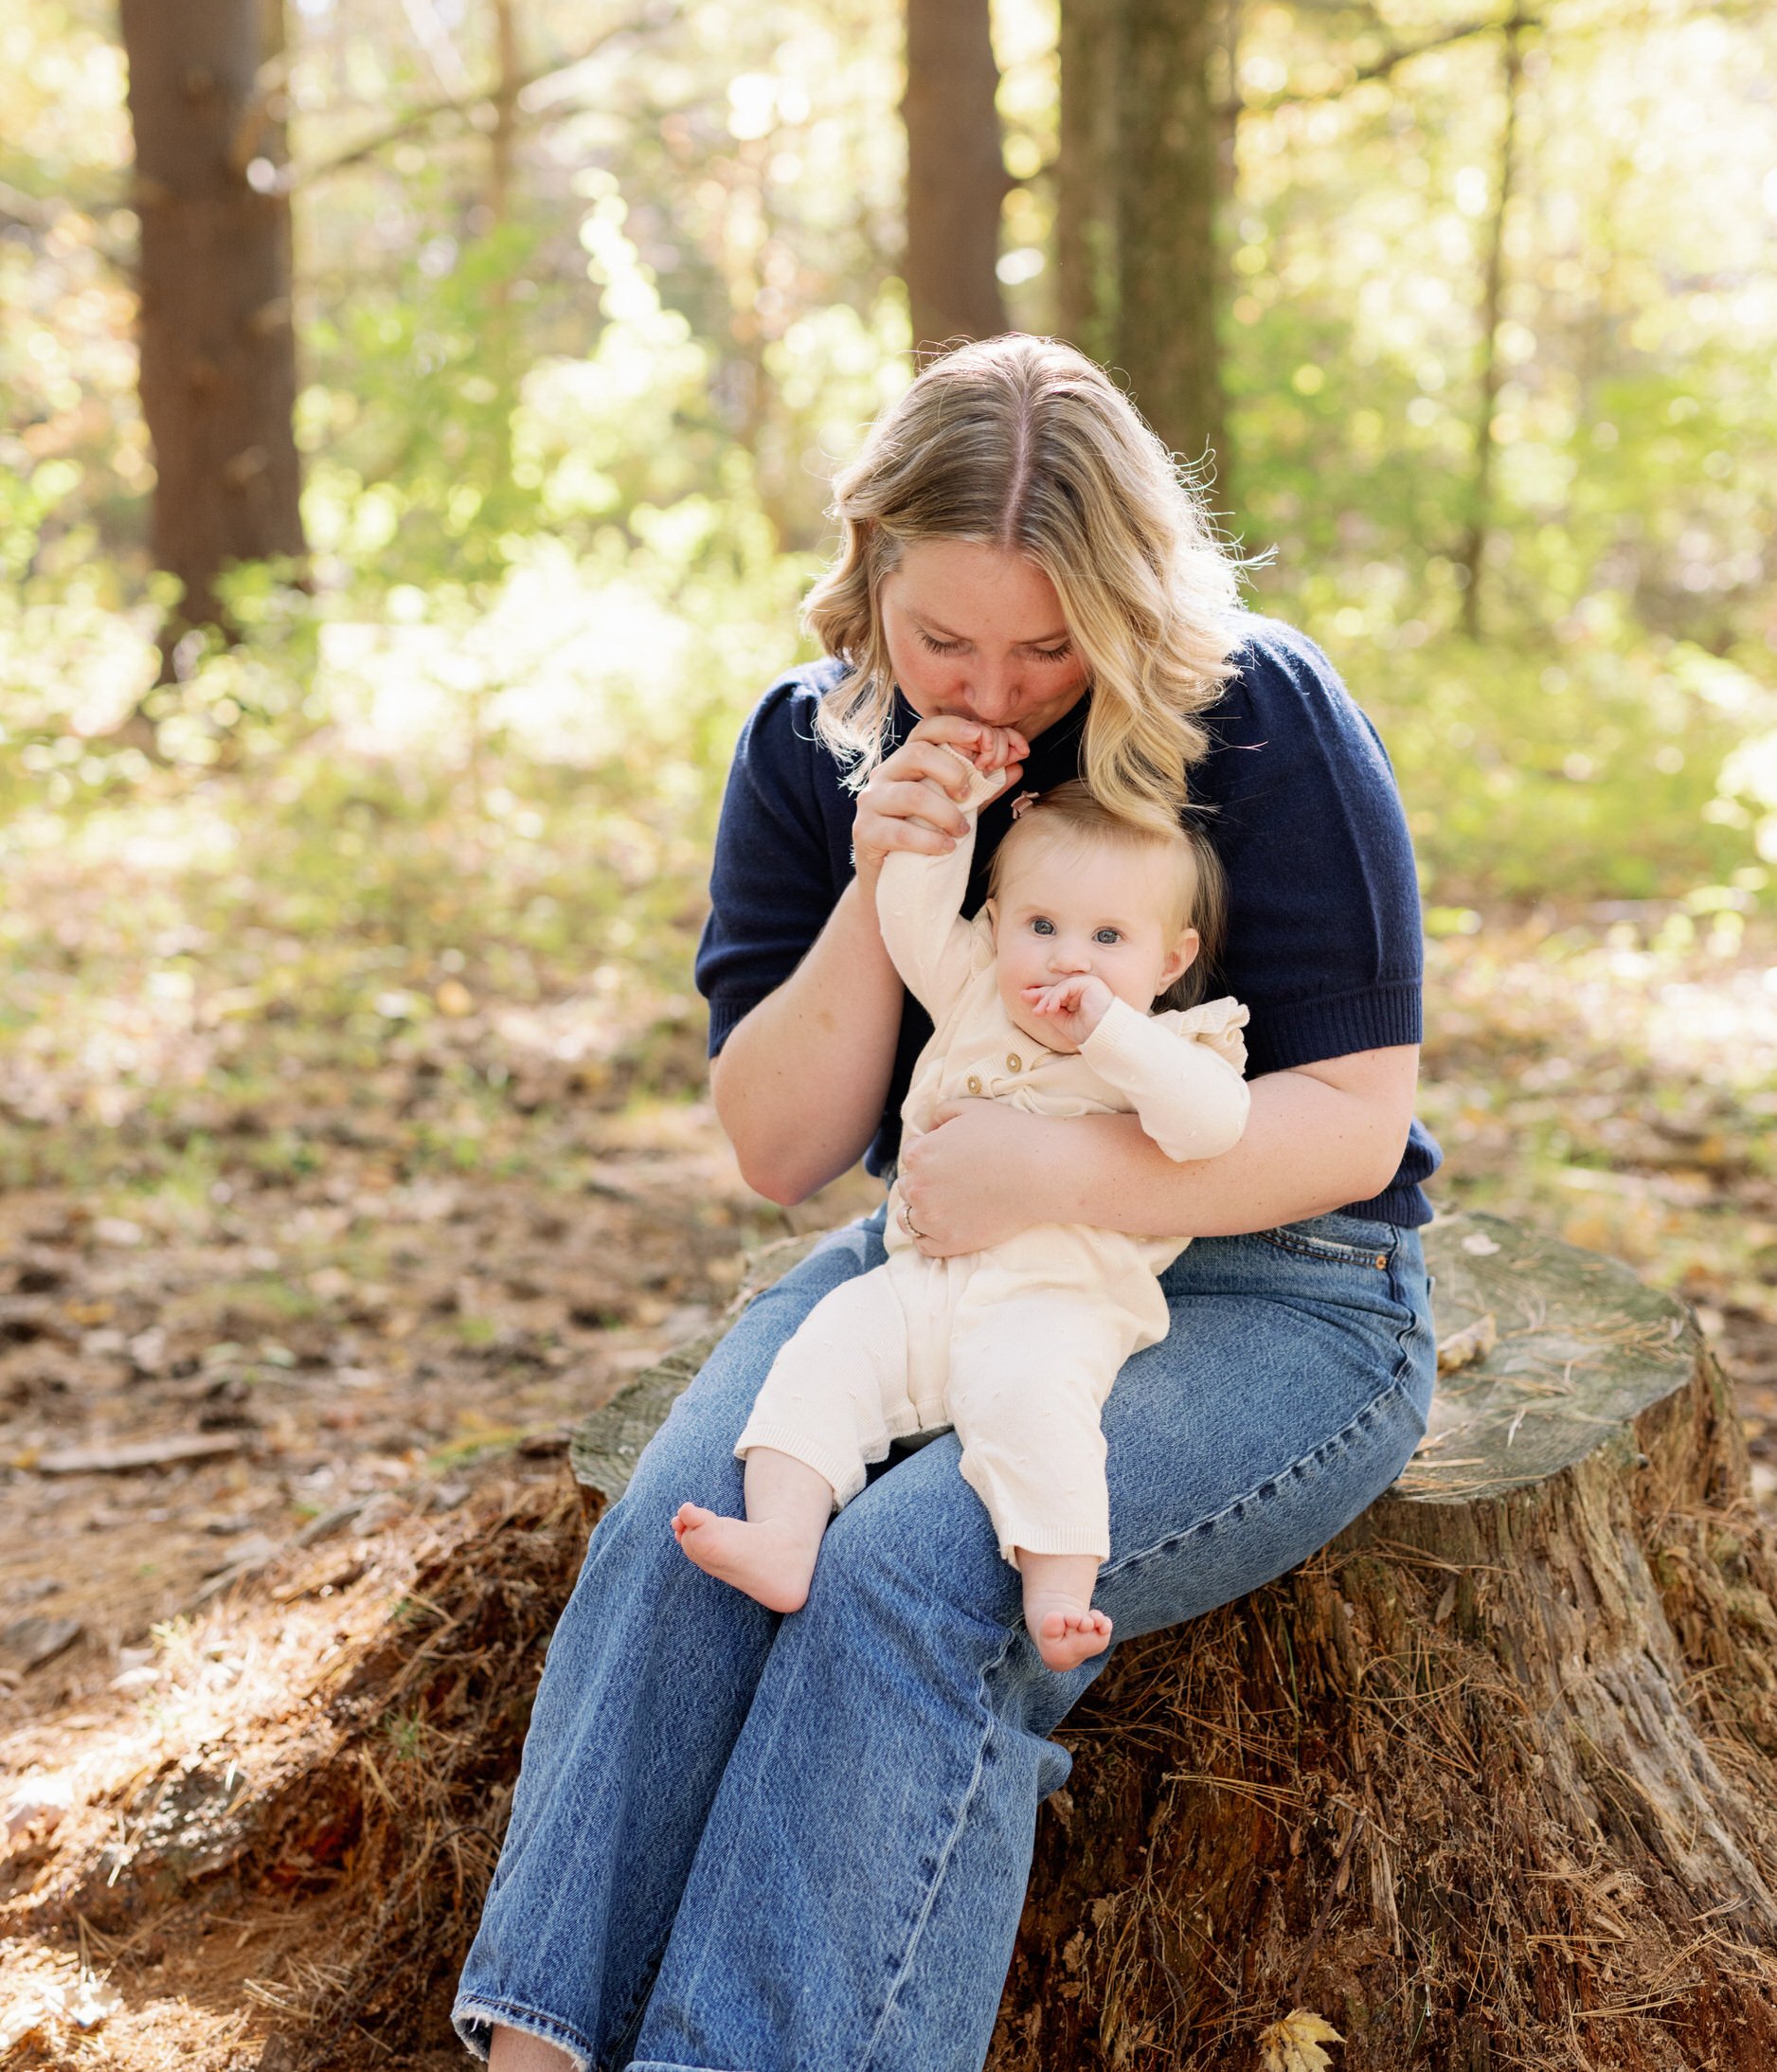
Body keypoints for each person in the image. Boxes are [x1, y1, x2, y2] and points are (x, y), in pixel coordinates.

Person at [454, 334, 1440, 2072]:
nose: (995, 685)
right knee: (687, 1537)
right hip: (939, 1265)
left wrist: (1059, 1164)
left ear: (1127, 598)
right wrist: (872, 886)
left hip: (1284, 1283)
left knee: (917, 1572)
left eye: (1050, 643)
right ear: (867, 586)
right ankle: (536, 2049)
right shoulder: (810, 741)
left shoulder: (1262, 710)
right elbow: (777, 1148)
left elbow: (1356, 1124)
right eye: (942, 639)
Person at [672, 756, 1252, 1674]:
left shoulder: (1170, 1044)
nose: (1068, 957)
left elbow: (1212, 1123)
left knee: (1035, 1405)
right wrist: (952, 818)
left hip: (1059, 1299)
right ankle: (781, 1534)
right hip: (921, 1278)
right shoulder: (978, 989)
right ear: (994, 925)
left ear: (1170, 958)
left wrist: (1108, 1027)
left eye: (1108, 936)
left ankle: (1058, 1586)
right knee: (825, 1348)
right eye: (1040, 924)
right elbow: (906, 915)